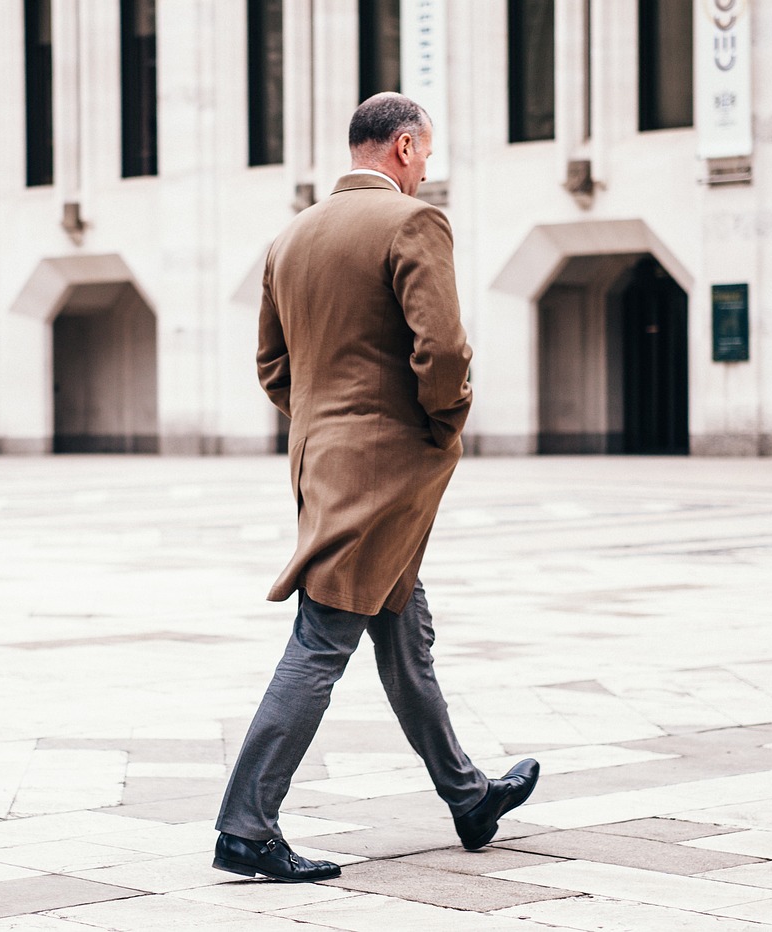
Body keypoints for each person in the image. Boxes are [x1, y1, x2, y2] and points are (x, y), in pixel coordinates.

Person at [213, 93, 539, 883]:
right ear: (399, 146)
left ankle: (468, 797)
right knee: (324, 638)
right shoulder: (411, 224)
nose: (426, 167)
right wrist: (440, 424)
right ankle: (245, 825)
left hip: (323, 464)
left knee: (403, 632)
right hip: (386, 473)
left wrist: (326, 426)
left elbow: (272, 367)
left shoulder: (288, 238)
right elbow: (445, 351)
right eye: (424, 152)